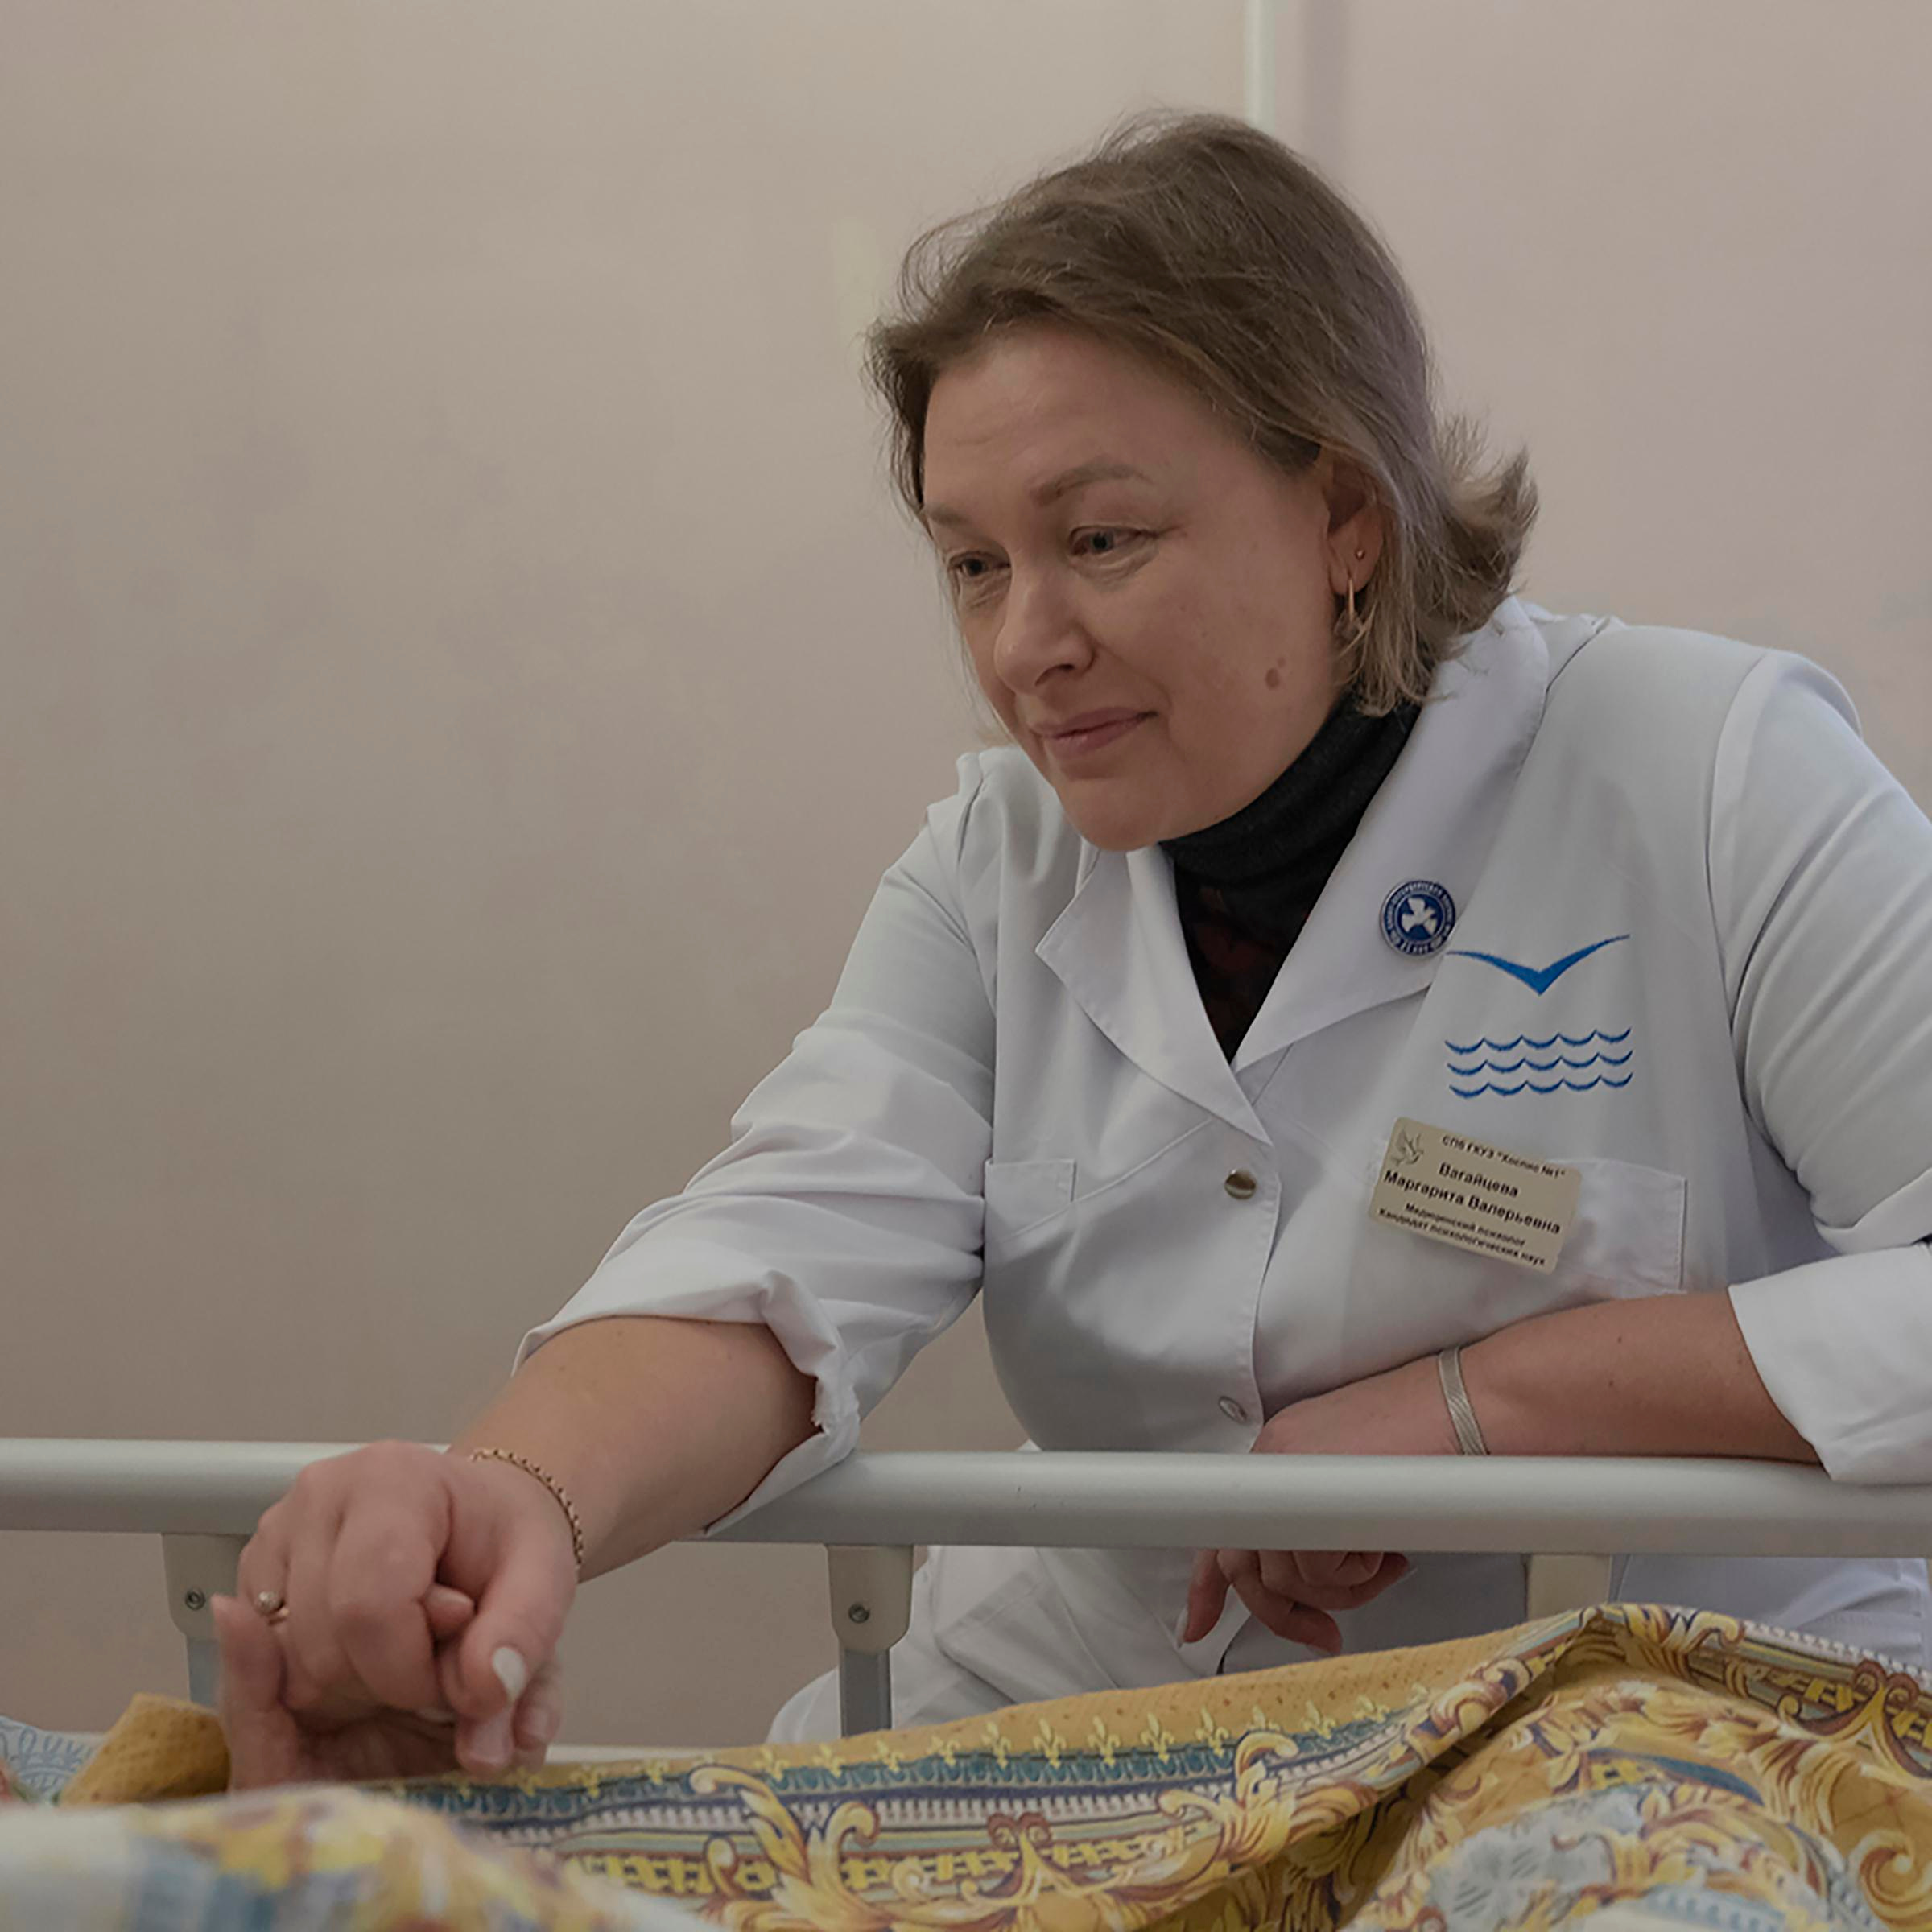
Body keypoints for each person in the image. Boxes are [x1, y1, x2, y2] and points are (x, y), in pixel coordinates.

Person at [215, 112, 1932, 1783]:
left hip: (1654, 1724)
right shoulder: (998, 866)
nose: (1025, 645)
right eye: (974, 563)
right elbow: (785, 1244)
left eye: (1100, 540)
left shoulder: (1701, 772)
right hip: (1101, 1717)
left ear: (1346, 514)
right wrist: (512, 1494)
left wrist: (1481, 1409)